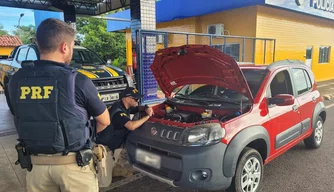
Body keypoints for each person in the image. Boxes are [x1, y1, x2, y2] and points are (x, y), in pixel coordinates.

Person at [7, 18, 110, 192]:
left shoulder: (16, 80)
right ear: (64, 47)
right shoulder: (78, 80)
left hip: (36, 168)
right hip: (73, 167)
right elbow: (104, 121)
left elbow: (18, 114)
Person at [95, 87, 153, 182]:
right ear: (127, 99)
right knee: (104, 181)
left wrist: (146, 107)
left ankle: (117, 166)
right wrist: (148, 116)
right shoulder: (118, 112)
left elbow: (137, 108)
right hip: (105, 147)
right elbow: (131, 126)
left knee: (132, 139)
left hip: (116, 142)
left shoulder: (124, 105)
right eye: (135, 99)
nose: (137, 101)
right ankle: (109, 166)